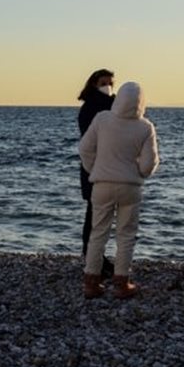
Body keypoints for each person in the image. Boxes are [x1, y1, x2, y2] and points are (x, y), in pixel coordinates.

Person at [78, 81, 160, 299]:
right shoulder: (145, 127)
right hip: (130, 187)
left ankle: (91, 283)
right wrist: (140, 174)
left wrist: (94, 169)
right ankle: (122, 283)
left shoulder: (102, 119)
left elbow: (85, 149)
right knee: (126, 235)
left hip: (102, 184)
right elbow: (148, 165)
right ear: (141, 102)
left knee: (98, 233)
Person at [77, 69, 117, 278]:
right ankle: (92, 259)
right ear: (94, 83)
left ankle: (97, 258)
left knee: (102, 216)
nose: (108, 86)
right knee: (95, 216)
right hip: (94, 168)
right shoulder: (90, 108)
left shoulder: (112, 105)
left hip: (107, 167)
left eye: (110, 82)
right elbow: (88, 141)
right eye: (104, 82)